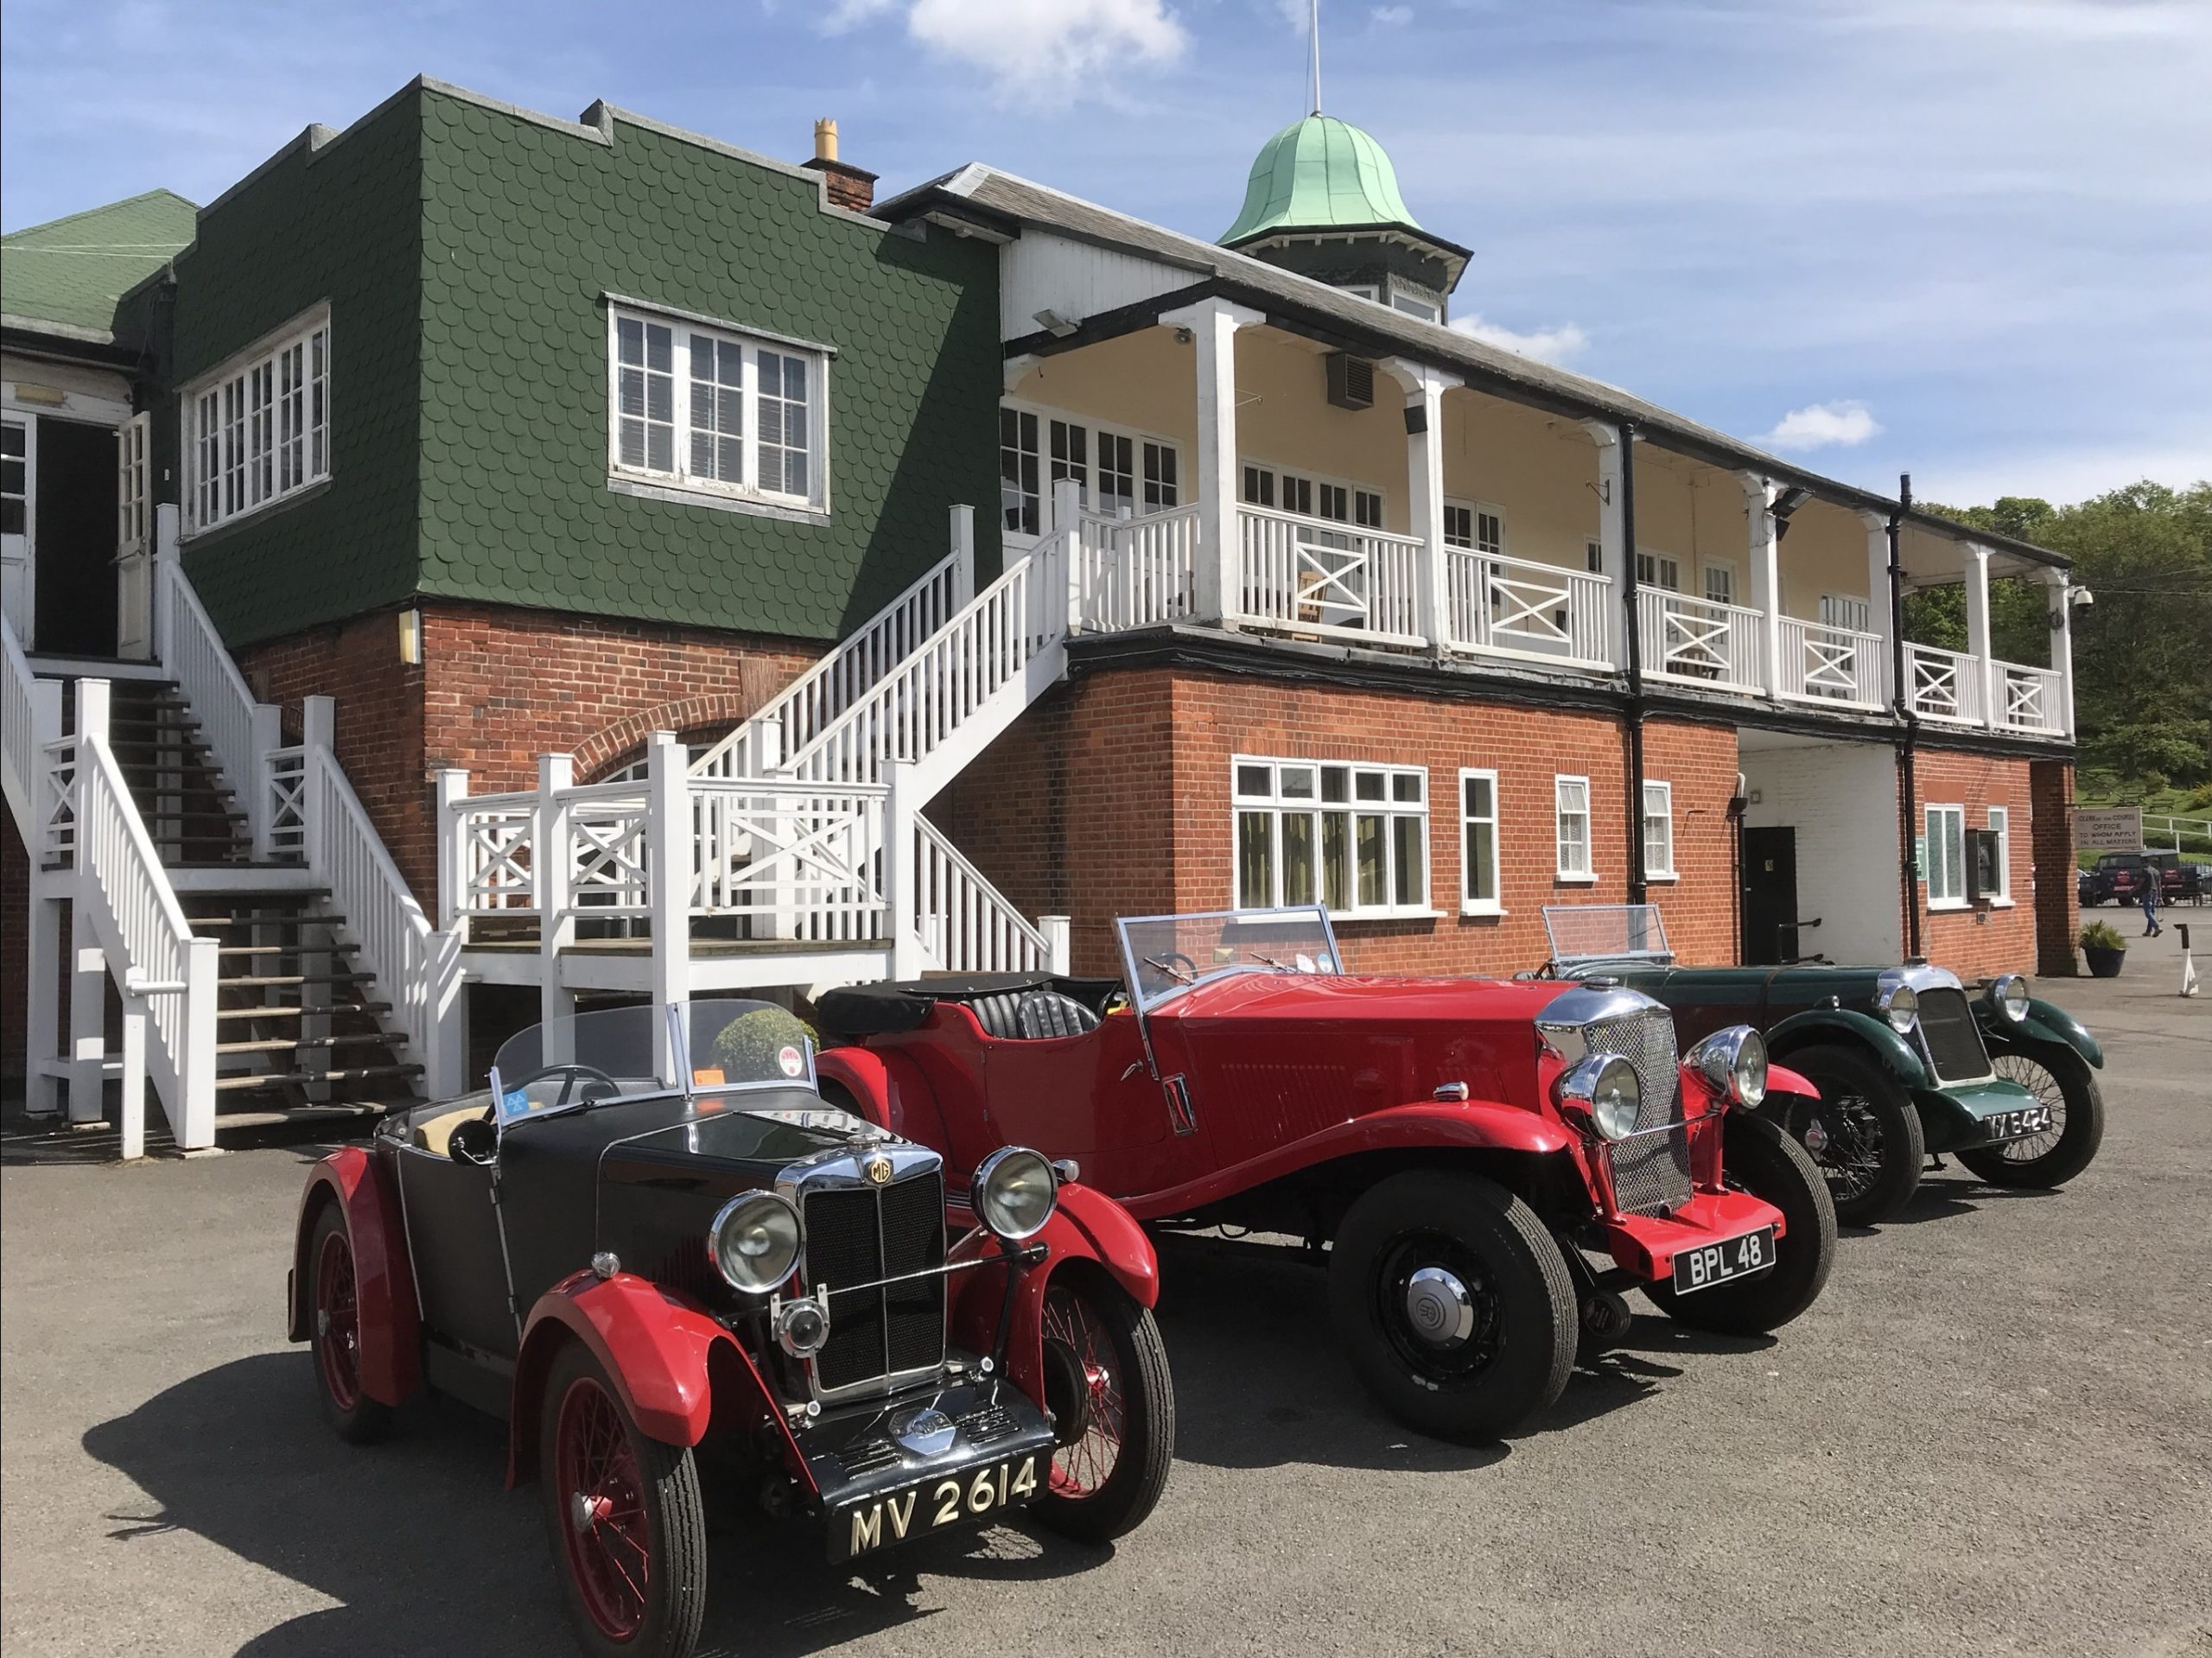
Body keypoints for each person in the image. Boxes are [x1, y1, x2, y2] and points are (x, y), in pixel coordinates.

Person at [2139, 866, 2163, 937]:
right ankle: (2149, 931)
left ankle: (2156, 927)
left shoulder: (2145, 870)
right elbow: (2159, 885)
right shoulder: (2156, 871)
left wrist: (2133, 889)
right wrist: (2160, 896)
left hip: (2147, 892)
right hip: (2154, 892)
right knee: (2152, 912)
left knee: (2148, 912)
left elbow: (2141, 882)